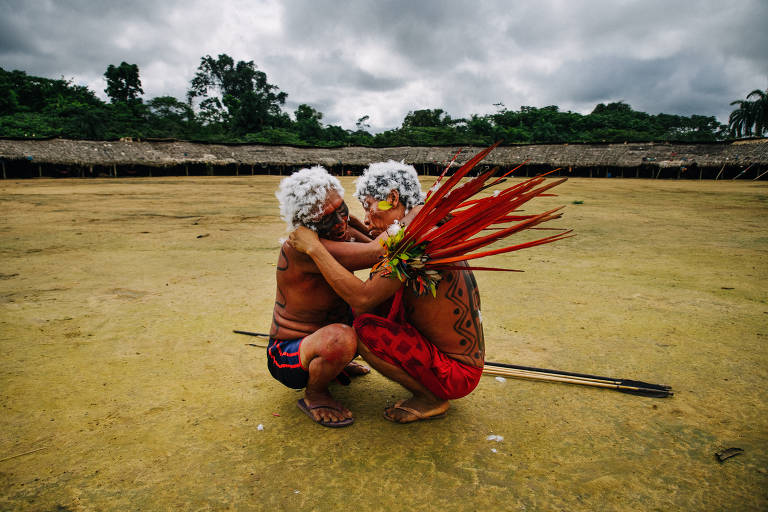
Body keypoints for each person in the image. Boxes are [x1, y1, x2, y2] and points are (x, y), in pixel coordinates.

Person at [289, 160, 484, 423]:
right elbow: (379, 259)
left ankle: (430, 398)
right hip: (461, 365)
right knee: (377, 304)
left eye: (369, 207)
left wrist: (314, 248)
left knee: (363, 329)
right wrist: (357, 226)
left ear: (392, 199)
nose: (368, 217)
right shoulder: (424, 225)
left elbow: (362, 298)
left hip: (454, 374)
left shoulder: (414, 240)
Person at [270, 166, 382, 427]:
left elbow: (378, 248)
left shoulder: (340, 231)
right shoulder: (303, 248)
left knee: (383, 302)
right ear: (307, 226)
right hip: (288, 355)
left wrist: (350, 218)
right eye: (326, 218)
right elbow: (377, 251)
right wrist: (412, 216)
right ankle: (315, 394)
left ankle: (334, 365)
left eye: (341, 208)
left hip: (326, 338)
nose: (339, 222)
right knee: (340, 339)